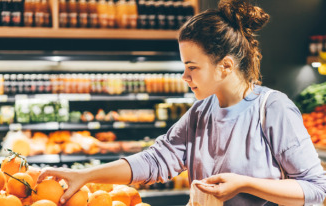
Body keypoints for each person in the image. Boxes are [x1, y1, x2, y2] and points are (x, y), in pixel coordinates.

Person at [37, 0, 326, 205]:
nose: (184, 75)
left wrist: (246, 184)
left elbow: (316, 188)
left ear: (225, 66)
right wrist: (84, 176)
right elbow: (154, 161)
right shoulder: (200, 114)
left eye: (192, 66)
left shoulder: (273, 109)